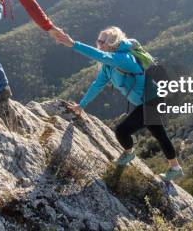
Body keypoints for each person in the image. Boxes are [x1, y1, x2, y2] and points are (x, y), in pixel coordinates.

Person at [60, 26, 184, 181]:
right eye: (98, 40)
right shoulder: (108, 66)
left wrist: (73, 44)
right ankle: (176, 168)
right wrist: (81, 105)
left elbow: (99, 55)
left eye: (101, 41)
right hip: (146, 100)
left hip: (152, 99)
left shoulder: (124, 58)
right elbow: (97, 85)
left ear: (111, 42)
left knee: (122, 131)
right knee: (159, 134)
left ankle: (129, 152)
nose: (98, 44)